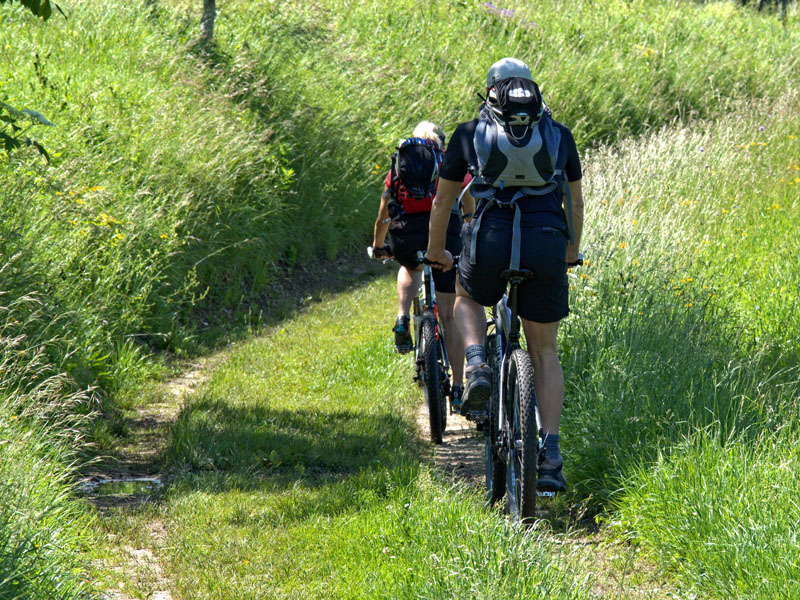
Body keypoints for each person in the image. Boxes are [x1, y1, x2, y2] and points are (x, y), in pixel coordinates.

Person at [425, 58, 584, 492]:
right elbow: (575, 201)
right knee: (545, 352)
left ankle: (476, 365)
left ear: (490, 92)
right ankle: (549, 455)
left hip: (491, 238)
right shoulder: (559, 134)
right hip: (547, 241)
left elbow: (443, 204)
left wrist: (438, 251)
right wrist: (570, 252)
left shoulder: (467, 134)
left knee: (466, 294)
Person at [368, 121, 474, 410]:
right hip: (447, 239)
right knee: (450, 318)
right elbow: (469, 205)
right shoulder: (450, 164)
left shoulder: (400, 168)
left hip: (406, 235)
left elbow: (382, 217)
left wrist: (379, 247)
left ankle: (403, 317)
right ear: (440, 142)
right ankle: (457, 387)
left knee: (410, 266)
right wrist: (467, 230)